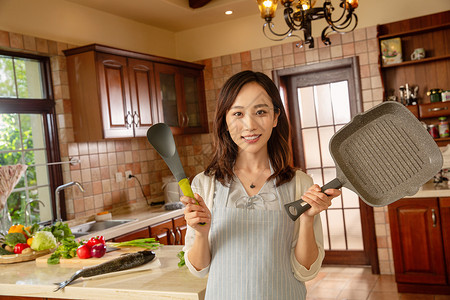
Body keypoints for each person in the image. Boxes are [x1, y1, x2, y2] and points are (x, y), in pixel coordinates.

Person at [181, 70, 341, 300]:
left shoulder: (300, 183)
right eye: (238, 113)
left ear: (275, 117)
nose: (250, 125)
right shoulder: (205, 184)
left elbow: (306, 270)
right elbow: (199, 269)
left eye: (261, 112)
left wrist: (307, 219)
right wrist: (202, 234)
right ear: (225, 120)